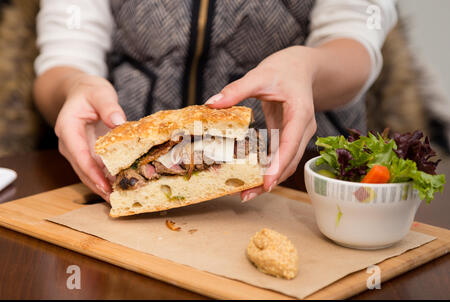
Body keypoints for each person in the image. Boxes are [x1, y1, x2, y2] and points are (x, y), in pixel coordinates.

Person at [33, 0, 397, 202]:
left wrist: (308, 67)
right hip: (116, 169)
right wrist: (74, 86)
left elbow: (356, 39)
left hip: (301, 174)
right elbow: (65, 53)